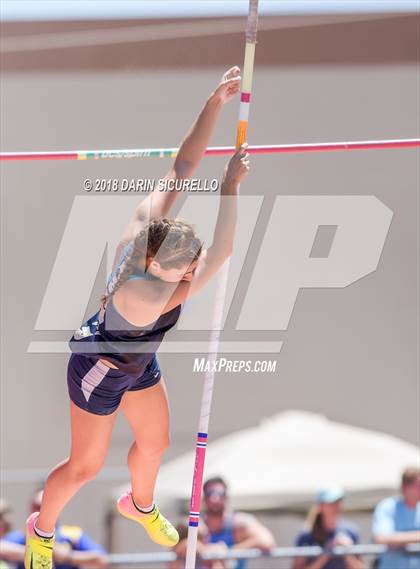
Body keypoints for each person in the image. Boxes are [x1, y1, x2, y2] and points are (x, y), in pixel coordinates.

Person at [24, 67, 249, 569]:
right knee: (85, 466)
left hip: (136, 361)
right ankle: (40, 531)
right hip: (98, 369)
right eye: (187, 265)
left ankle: (139, 504)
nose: (194, 268)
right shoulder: (146, 296)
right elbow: (226, 249)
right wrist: (231, 187)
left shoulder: (148, 231)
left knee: (157, 442)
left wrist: (214, 102)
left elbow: (184, 163)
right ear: (159, 265)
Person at [3, 490, 107, 569]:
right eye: (37, 506)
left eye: (45, 505)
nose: (41, 510)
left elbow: (101, 559)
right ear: (30, 508)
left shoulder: (72, 534)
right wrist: (40, 551)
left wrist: (69, 557)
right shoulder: (23, 535)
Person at [199, 476, 275, 569]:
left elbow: (267, 541)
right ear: (204, 498)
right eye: (210, 493)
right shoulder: (197, 526)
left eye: (219, 493)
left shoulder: (238, 523)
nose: (214, 498)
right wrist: (203, 550)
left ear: (226, 497)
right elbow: (179, 547)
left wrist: (230, 552)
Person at [292, 487, 364, 569]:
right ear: (321, 506)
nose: (337, 506)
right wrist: (326, 553)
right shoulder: (306, 535)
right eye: (332, 502)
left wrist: (347, 553)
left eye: (339, 501)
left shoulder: (351, 531)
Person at [372, 466, 420, 569]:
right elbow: (382, 538)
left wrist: (400, 541)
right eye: (418, 485)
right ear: (405, 487)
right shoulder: (388, 506)